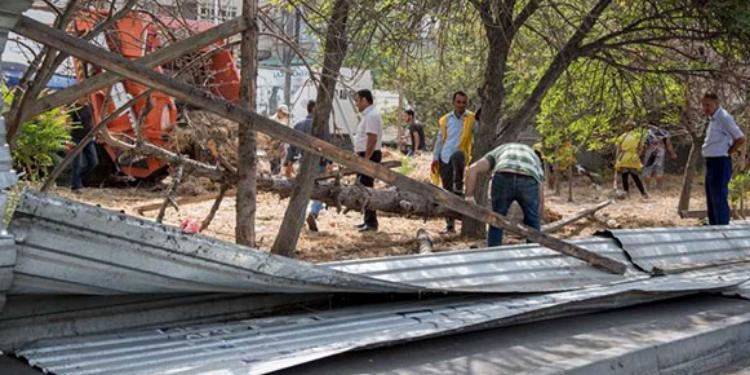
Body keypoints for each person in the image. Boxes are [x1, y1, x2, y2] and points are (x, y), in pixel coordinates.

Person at [464, 143, 545, 247]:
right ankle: (534, 254)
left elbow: (472, 169)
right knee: (532, 222)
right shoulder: (534, 158)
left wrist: (469, 197)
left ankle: (494, 254)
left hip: (504, 175)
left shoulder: (499, 151)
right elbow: (541, 193)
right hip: (528, 178)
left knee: (497, 219)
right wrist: (537, 219)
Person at [431, 91, 478, 234]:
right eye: (458, 102)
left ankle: (459, 185)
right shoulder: (445, 120)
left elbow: (478, 134)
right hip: (445, 158)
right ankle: (450, 226)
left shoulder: (471, 118)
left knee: (457, 155)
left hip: (461, 158)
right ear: (453, 102)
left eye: (464, 102)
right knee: (446, 192)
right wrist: (435, 158)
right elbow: (440, 140)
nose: (461, 105)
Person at [283, 100, 330, 232]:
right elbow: (327, 146)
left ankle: (300, 217)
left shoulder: (299, 125)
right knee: (322, 190)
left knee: (302, 190)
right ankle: (313, 213)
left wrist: (289, 163)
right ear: (314, 109)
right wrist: (329, 163)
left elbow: (292, 146)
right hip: (319, 163)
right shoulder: (323, 126)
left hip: (302, 162)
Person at [701, 92, 745, 225]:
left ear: (716, 104)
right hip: (711, 162)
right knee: (711, 196)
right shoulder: (713, 119)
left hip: (720, 162)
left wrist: (729, 151)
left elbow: (740, 138)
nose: (705, 108)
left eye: (708, 105)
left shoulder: (723, 117)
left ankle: (722, 228)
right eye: (703, 105)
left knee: (719, 197)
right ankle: (714, 227)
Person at [353, 89, 383, 232]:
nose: (356, 104)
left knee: (367, 189)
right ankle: (367, 220)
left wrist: (366, 159)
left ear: (364, 100)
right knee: (363, 187)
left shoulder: (371, 115)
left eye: (357, 100)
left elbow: (372, 138)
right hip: (365, 154)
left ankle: (371, 223)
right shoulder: (368, 115)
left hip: (369, 155)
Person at [69, 98, 98, 193]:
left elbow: (92, 119)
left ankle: (78, 177)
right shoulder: (73, 109)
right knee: (77, 163)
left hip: (88, 137)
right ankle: (75, 186)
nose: (86, 98)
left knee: (93, 162)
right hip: (76, 138)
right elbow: (68, 123)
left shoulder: (89, 106)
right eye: (84, 96)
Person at [615, 120, 649, 199]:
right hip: (633, 157)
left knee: (624, 176)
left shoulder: (622, 136)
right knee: (635, 176)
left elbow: (618, 149)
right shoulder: (637, 136)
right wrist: (637, 155)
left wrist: (617, 160)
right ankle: (643, 193)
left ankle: (626, 193)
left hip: (623, 157)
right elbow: (641, 148)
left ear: (626, 127)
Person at [642, 123, 677, 189]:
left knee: (647, 169)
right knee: (659, 170)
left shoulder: (648, 132)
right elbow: (668, 145)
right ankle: (659, 187)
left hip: (650, 152)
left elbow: (644, 145)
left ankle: (647, 187)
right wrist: (673, 153)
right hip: (660, 152)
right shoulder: (665, 132)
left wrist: (641, 152)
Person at [267, 105, 290, 174]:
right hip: (273, 146)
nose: (284, 115)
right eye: (283, 113)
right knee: (274, 163)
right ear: (279, 111)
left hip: (281, 146)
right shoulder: (272, 120)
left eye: (285, 114)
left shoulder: (285, 121)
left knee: (279, 164)